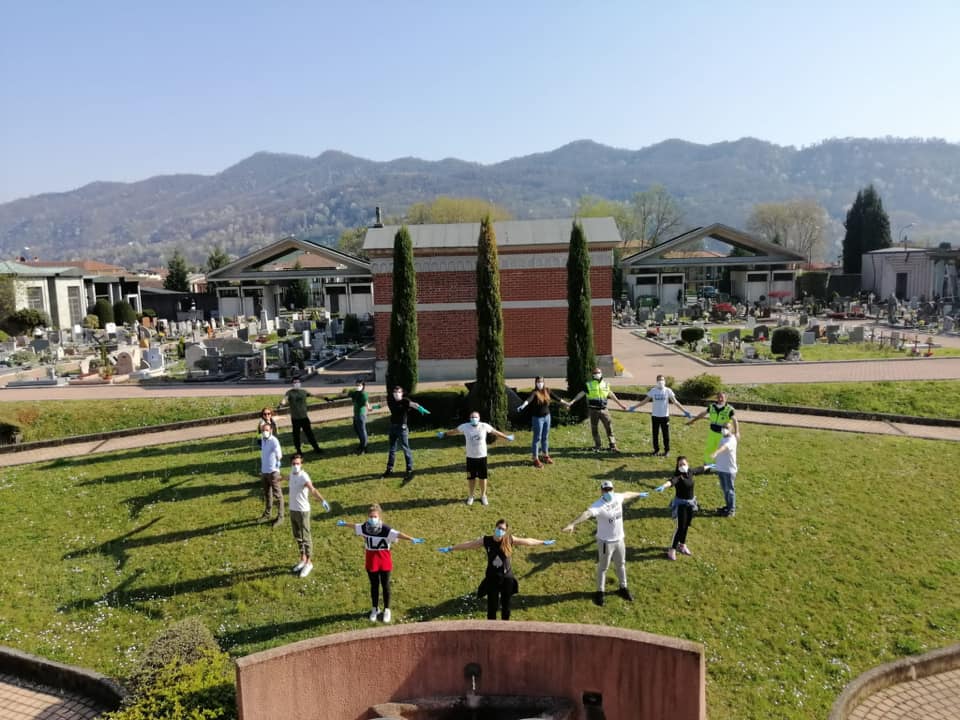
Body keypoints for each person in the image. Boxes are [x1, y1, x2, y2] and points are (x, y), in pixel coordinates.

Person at [437, 519, 555, 620]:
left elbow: (528, 541)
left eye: (503, 529)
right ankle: (491, 629)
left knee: (506, 606)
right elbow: (469, 545)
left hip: (507, 578)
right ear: (495, 527)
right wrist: (451, 548)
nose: (501, 531)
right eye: (499, 528)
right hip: (492, 578)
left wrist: (542, 542)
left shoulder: (509, 539)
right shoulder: (486, 540)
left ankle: (505, 628)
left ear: (506, 531)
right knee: (492, 607)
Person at [562, 479, 649, 606]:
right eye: (606, 490)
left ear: (613, 489)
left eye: (610, 489)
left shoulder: (617, 497)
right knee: (603, 567)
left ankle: (623, 588)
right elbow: (586, 514)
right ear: (601, 491)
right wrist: (572, 524)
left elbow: (627, 494)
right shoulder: (598, 505)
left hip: (619, 539)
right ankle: (600, 592)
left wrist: (639, 493)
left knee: (621, 564)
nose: (608, 492)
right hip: (605, 543)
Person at [336, 504, 424, 623]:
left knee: (385, 585)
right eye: (371, 516)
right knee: (374, 586)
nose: (373, 518)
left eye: (375, 516)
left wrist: (411, 538)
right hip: (371, 561)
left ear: (379, 516)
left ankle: (387, 609)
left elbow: (398, 534)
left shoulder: (385, 529)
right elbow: (354, 526)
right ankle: (375, 608)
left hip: (384, 561)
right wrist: (344, 524)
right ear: (368, 517)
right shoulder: (364, 527)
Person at [438, 411, 515, 506]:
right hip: (470, 457)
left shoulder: (484, 426)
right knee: (471, 478)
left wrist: (507, 437)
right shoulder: (465, 426)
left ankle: (483, 496)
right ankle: (471, 496)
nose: (474, 419)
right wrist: (444, 434)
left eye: (476, 417)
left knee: (483, 478)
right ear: (470, 418)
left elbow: (495, 432)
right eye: (472, 417)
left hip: (482, 457)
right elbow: (454, 431)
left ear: (479, 418)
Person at [653, 456, 712, 560]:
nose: (682, 466)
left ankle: (682, 545)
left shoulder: (690, 472)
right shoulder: (678, 476)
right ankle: (672, 549)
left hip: (691, 504)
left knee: (686, 526)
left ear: (687, 464)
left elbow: (699, 469)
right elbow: (671, 481)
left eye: (684, 463)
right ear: (677, 466)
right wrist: (664, 486)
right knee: (680, 527)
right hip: (681, 505)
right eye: (680, 464)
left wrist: (709, 466)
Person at [562, 367, 628, 452]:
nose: (597, 374)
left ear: (601, 373)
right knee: (594, 428)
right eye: (595, 373)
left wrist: (621, 405)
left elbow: (611, 394)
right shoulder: (589, 385)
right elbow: (581, 394)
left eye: (598, 372)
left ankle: (613, 446)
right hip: (593, 410)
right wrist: (572, 402)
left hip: (604, 410)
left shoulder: (606, 384)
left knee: (609, 428)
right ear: (593, 375)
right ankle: (598, 445)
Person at [287, 453, 331, 578]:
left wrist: (322, 500)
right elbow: (286, 478)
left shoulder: (303, 476)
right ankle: (303, 559)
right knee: (297, 536)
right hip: (292, 510)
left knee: (306, 537)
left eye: (298, 464)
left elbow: (312, 489)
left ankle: (309, 563)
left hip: (302, 511)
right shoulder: (291, 474)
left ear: (301, 464)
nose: (296, 466)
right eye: (294, 464)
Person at [629, 374, 692, 457]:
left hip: (665, 417)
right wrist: (634, 407)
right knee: (655, 434)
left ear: (664, 381)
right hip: (655, 416)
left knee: (666, 435)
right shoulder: (653, 391)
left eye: (662, 380)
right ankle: (656, 450)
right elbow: (644, 401)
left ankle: (667, 451)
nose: (660, 381)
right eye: (659, 380)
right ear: (656, 381)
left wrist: (685, 411)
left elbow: (675, 402)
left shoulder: (668, 391)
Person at [382, 386, 430, 483]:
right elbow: (382, 404)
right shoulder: (391, 400)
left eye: (399, 392)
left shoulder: (404, 401)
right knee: (392, 449)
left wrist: (421, 408)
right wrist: (374, 407)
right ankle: (389, 469)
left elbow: (413, 404)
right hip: (393, 427)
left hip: (402, 428)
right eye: (395, 391)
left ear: (402, 393)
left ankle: (409, 469)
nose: (396, 393)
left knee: (405, 448)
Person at [517, 376, 562, 467]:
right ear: (536, 383)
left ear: (544, 382)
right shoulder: (534, 393)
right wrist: (523, 405)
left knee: (545, 437)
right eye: (538, 382)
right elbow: (528, 400)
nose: (540, 383)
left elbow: (557, 398)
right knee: (537, 438)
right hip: (537, 419)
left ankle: (545, 456)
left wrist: (567, 403)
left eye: (541, 381)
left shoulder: (547, 391)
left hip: (547, 417)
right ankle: (535, 458)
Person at [687, 390, 740, 464]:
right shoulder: (712, 406)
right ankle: (708, 464)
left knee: (722, 451)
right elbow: (702, 414)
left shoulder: (729, 409)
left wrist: (737, 432)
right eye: (718, 397)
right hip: (712, 433)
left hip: (723, 435)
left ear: (726, 398)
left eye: (722, 397)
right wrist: (693, 420)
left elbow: (735, 420)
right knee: (709, 448)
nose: (720, 399)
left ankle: (721, 466)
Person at [278, 377, 322, 455]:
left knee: (309, 434)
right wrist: (282, 403)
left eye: (298, 382)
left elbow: (313, 395)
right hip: (295, 419)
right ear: (292, 384)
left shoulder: (303, 392)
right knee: (296, 435)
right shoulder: (290, 392)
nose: (297, 384)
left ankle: (316, 448)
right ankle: (298, 450)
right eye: (295, 382)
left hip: (304, 418)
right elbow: (285, 399)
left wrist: (325, 398)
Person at [343, 379, 379, 455]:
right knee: (357, 430)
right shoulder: (355, 393)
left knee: (362, 431)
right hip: (355, 415)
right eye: (356, 385)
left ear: (363, 386)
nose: (357, 386)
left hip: (361, 415)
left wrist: (370, 408)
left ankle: (364, 448)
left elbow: (366, 403)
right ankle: (361, 444)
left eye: (359, 385)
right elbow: (346, 394)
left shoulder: (363, 394)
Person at [711, 421, 739, 517]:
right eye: (723, 427)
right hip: (721, 468)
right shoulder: (723, 437)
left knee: (730, 490)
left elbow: (724, 448)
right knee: (725, 489)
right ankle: (727, 506)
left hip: (729, 470)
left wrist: (716, 453)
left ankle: (731, 510)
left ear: (731, 429)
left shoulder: (731, 440)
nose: (724, 429)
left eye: (726, 427)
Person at [258, 421, 284, 526]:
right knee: (267, 494)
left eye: (267, 430)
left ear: (271, 431)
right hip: (264, 472)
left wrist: (278, 462)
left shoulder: (274, 441)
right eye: (263, 430)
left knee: (277, 495)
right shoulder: (263, 440)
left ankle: (280, 517)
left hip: (273, 472)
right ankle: (267, 514)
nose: (265, 432)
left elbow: (279, 453)